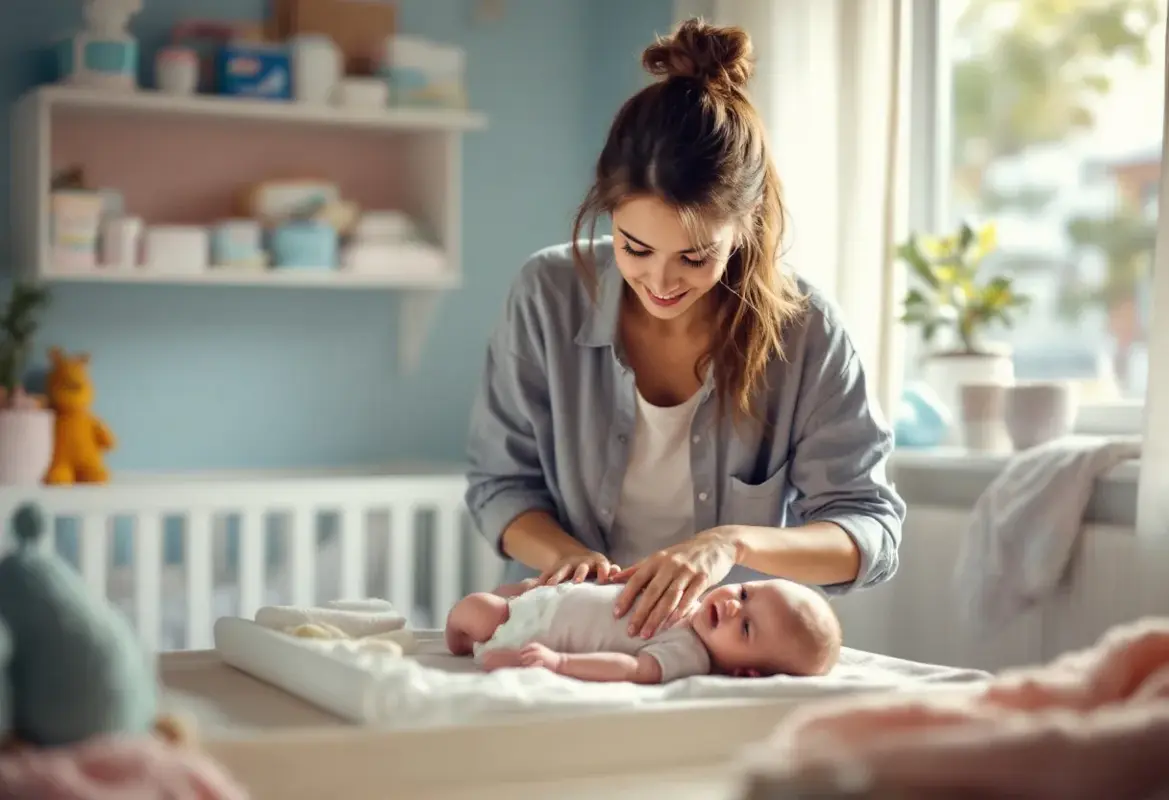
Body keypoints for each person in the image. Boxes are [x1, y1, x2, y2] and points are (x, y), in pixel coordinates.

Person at [465, 17, 906, 642]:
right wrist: (565, 558)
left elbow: (869, 528)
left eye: (695, 257)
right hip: (557, 628)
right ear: (608, 213)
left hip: (719, 648)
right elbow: (500, 486)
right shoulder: (546, 295)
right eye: (633, 247)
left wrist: (729, 543)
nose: (660, 281)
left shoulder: (806, 332)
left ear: (747, 223)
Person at [445, 577, 841, 684]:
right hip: (547, 598)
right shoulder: (691, 601)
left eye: (747, 627)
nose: (733, 606)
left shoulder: (689, 653)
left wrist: (559, 662)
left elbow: (631, 668)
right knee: (500, 596)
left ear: (747, 672)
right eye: (744, 592)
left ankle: (459, 639)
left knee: (476, 611)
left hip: (535, 629)